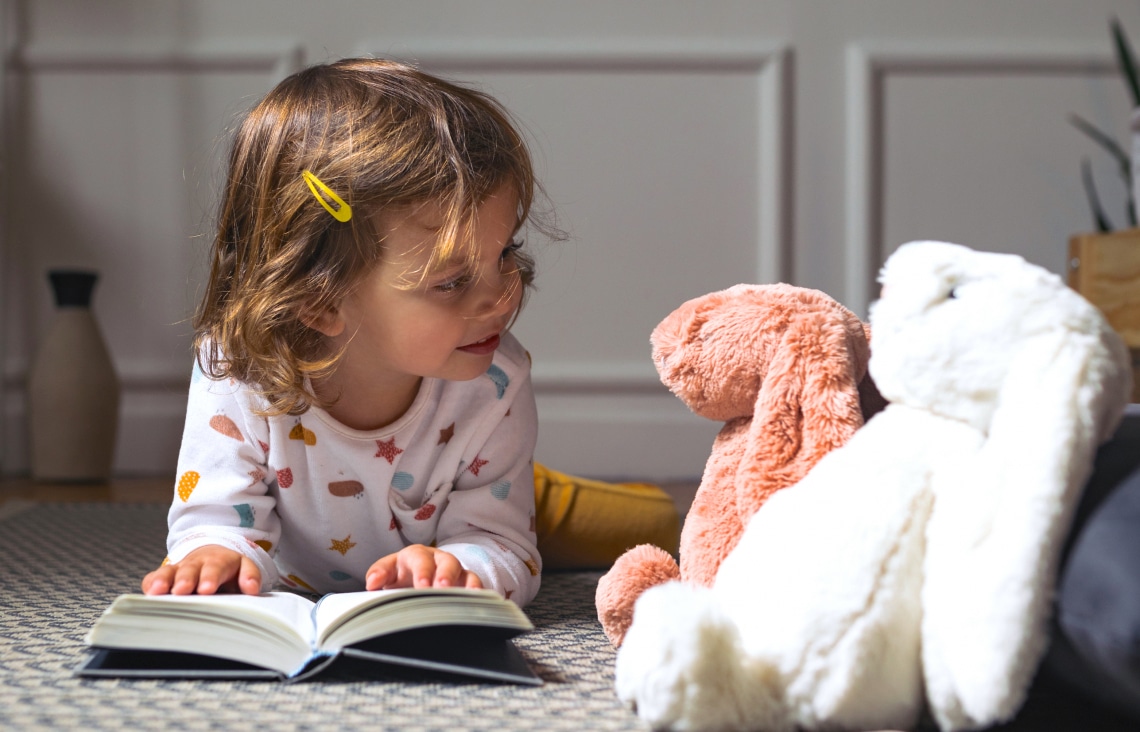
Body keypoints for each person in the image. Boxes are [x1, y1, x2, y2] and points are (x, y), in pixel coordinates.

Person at [141, 57, 553, 606]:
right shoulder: (241, 369)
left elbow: (504, 544)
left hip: (493, 487)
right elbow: (214, 520)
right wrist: (215, 555)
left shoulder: (495, 381)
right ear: (318, 300)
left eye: (505, 254)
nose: (501, 294)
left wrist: (461, 565)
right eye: (451, 282)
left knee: (611, 523)